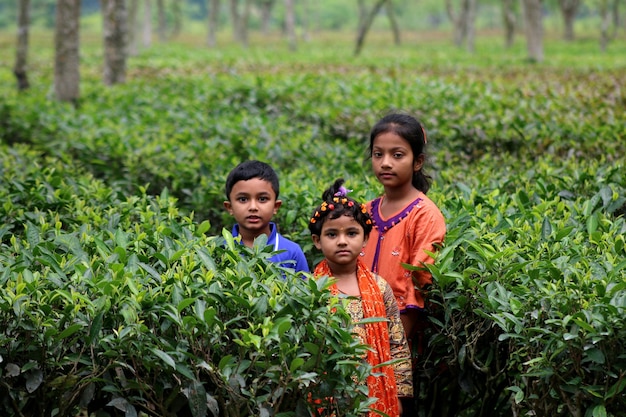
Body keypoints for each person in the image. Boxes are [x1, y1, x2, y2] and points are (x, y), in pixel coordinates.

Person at [308, 178, 412, 417]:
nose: (342, 241)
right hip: (328, 395)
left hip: (375, 394)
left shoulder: (380, 287)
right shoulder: (311, 290)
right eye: (332, 234)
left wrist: (398, 395)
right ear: (317, 241)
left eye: (352, 233)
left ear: (365, 239)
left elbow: (397, 345)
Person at [361, 112, 446, 365]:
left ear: (417, 162)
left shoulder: (425, 215)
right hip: (354, 340)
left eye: (397, 155)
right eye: (378, 154)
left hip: (397, 345)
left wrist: (390, 348)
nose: (386, 163)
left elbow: (419, 283)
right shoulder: (364, 212)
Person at [224, 160, 309, 273]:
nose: (253, 207)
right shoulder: (218, 249)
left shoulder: (291, 252)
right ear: (229, 207)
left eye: (262, 199)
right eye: (243, 199)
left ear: (276, 206)